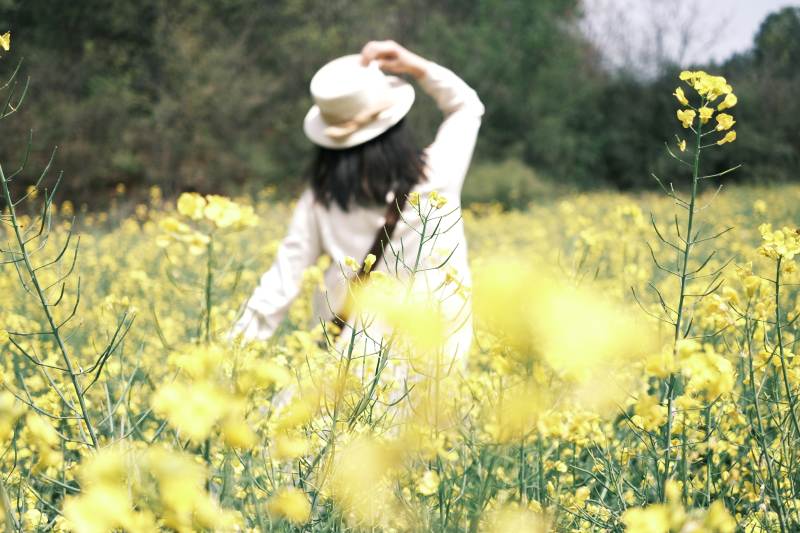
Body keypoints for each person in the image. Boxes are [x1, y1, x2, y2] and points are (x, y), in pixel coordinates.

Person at [230, 40, 484, 374]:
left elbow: (281, 282)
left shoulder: (322, 198)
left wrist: (225, 360)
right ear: (395, 124)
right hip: (434, 361)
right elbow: (466, 106)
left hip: (351, 366)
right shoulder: (439, 174)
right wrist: (417, 66)